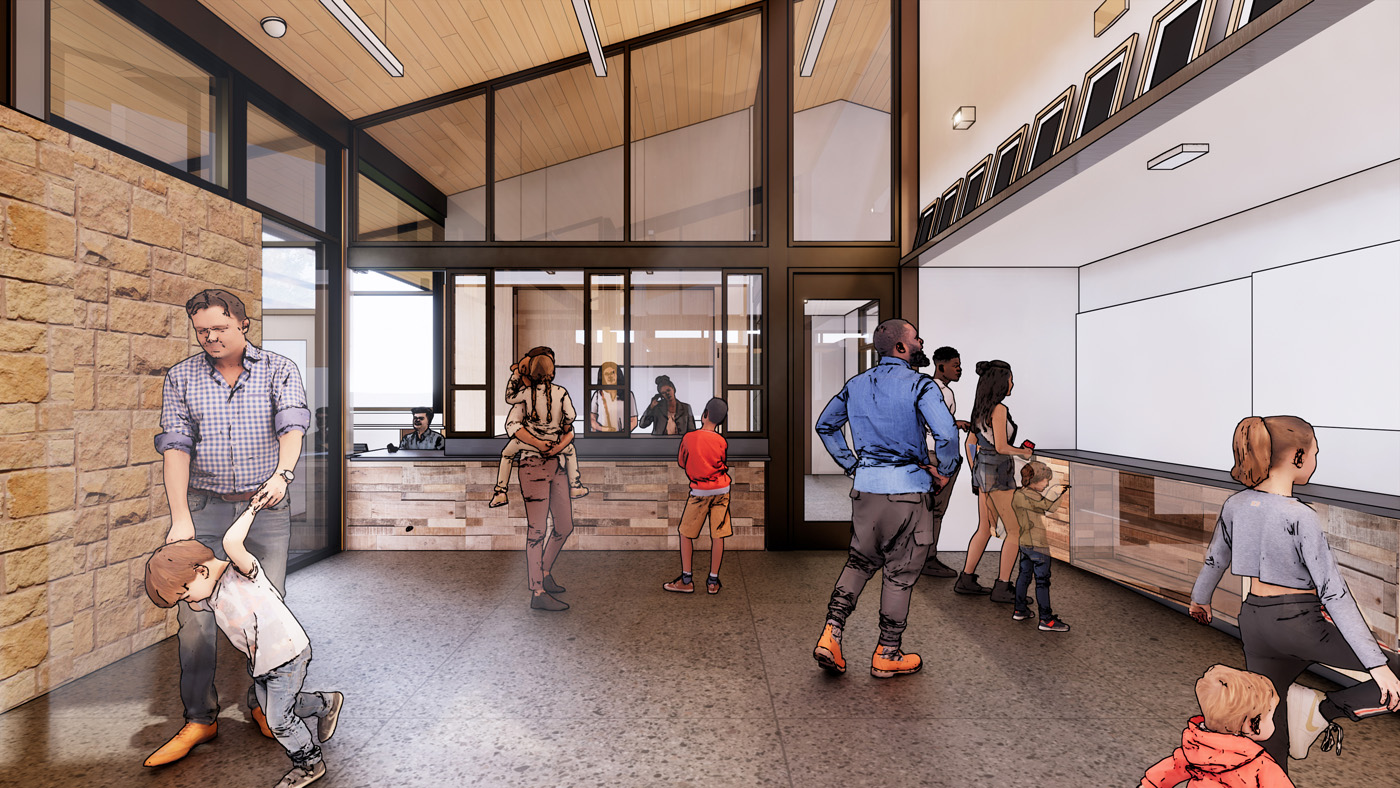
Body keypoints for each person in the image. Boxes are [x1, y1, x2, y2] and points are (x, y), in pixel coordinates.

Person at [148, 289, 309, 767]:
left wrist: (283, 474)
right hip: (205, 507)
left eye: (220, 327)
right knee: (195, 622)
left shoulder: (279, 369)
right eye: (202, 330)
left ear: (243, 324)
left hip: (263, 509)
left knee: (265, 612)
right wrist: (181, 517)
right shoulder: (181, 377)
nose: (211, 337)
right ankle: (200, 718)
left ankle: (264, 707)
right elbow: (176, 446)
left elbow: (292, 426)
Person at [1189, 415, 1400, 773]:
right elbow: (1334, 593)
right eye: (1315, 453)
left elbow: (1215, 558)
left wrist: (1200, 598)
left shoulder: (1235, 505)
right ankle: (1322, 711)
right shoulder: (1299, 516)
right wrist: (1377, 666)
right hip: (1299, 622)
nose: (1316, 461)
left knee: (1269, 724)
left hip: (1254, 619)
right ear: (1298, 458)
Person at [145, 483, 344, 788]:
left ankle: (309, 765)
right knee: (276, 707)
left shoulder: (243, 572)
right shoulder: (206, 595)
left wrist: (253, 507)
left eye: (184, 594)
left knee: (279, 721)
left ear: (200, 571)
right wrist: (172, 559)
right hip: (264, 662)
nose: (188, 600)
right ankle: (325, 703)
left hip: (287, 654)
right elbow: (191, 591)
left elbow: (231, 541)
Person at [812, 319, 960, 679]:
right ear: (899, 348)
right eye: (915, 339)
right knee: (900, 574)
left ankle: (831, 634)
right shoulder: (922, 385)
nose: (921, 342)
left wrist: (851, 464)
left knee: (859, 562)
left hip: (866, 490)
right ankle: (888, 653)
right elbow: (946, 433)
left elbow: (825, 425)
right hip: (909, 493)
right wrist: (945, 470)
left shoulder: (856, 385)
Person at [954, 360, 1034, 602]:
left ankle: (966, 579)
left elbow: (970, 443)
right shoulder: (999, 409)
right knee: (1015, 530)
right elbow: (1000, 446)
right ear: (1000, 383)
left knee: (985, 528)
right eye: (1010, 379)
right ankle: (1002, 586)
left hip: (983, 473)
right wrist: (1023, 452)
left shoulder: (979, 409)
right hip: (999, 475)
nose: (1013, 383)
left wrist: (976, 470)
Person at [1140, 664, 1293, 788]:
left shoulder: (1195, 750)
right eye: (1271, 716)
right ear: (1253, 725)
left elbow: (1167, 771)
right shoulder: (1259, 763)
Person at [507, 351, 578, 611]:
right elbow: (511, 426)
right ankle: (537, 592)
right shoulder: (541, 396)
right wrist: (544, 443)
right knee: (537, 531)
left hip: (554, 465)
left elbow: (569, 425)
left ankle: (544, 573)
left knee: (564, 525)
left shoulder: (532, 393)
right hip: (532, 465)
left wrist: (555, 445)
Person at [490, 347, 587, 508]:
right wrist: (565, 426)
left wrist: (515, 376)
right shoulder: (561, 392)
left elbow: (509, 397)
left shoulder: (527, 392)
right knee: (570, 451)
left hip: (528, 442)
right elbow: (571, 415)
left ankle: (500, 491)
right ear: (553, 372)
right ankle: (575, 486)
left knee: (507, 454)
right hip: (554, 440)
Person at [663, 398, 732, 595]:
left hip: (700, 493)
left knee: (685, 533)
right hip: (722, 491)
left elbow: (682, 462)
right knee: (718, 535)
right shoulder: (721, 441)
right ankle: (712, 581)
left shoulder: (689, 438)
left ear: (704, 414)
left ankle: (686, 580)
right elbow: (721, 461)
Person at [920, 346, 973, 579]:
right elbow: (940, 428)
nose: (959, 370)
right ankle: (928, 559)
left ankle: (918, 557)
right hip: (940, 457)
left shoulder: (925, 388)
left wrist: (954, 421)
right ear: (940, 366)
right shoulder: (943, 392)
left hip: (926, 454)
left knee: (924, 509)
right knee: (936, 511)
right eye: (955, 365)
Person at [1010, 461, 1071, 632]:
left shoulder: (1018, 494)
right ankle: (1046, 620)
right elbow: (1049, 506)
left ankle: (1019, 610)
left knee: (1024, 576)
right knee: (1042, 582)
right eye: (1045, 481)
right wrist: (1062, 494)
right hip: (1039, 545)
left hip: (1024, 543)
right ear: (1035, 480)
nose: (1046, 484)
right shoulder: (1034, 496)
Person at [589, 361, 637, 432]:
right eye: (606, 374)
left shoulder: (628, 394)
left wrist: (623, 433)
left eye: (612, 373)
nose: (610, 376)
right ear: (602, 377)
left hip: (622, 436)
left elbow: (634, 420)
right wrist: (603, 429)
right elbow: (591, 419)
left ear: (618, 375)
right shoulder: (598, 394)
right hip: (601, 436)